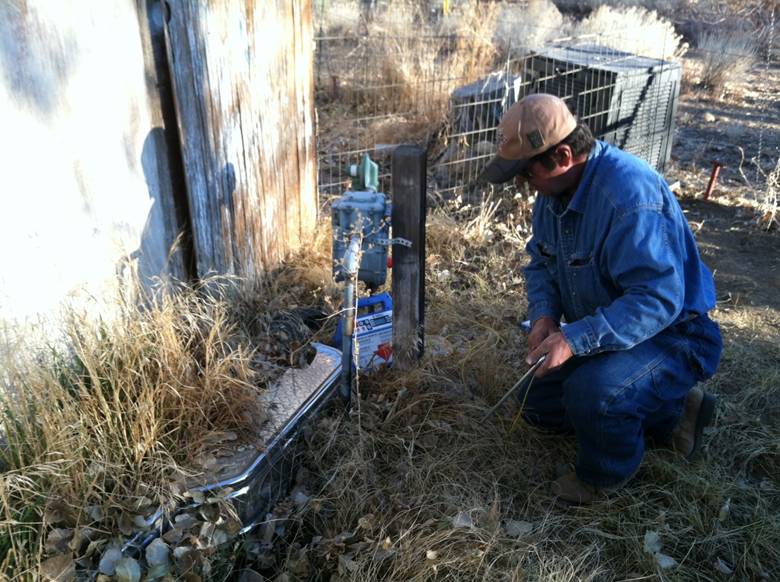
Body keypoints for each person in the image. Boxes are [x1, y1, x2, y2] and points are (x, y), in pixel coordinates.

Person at [483, 94, 723, 505]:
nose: (524, 185)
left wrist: (574, 339)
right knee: (537, 405)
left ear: (562, 156)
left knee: (593, 393)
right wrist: (544, 316)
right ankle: (674, 412)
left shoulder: (629, 197)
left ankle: (604, 477)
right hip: (609, 330)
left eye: (526, 173)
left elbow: (657, 300)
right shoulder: (553, 194)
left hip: (674, 335)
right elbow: (541, 263)